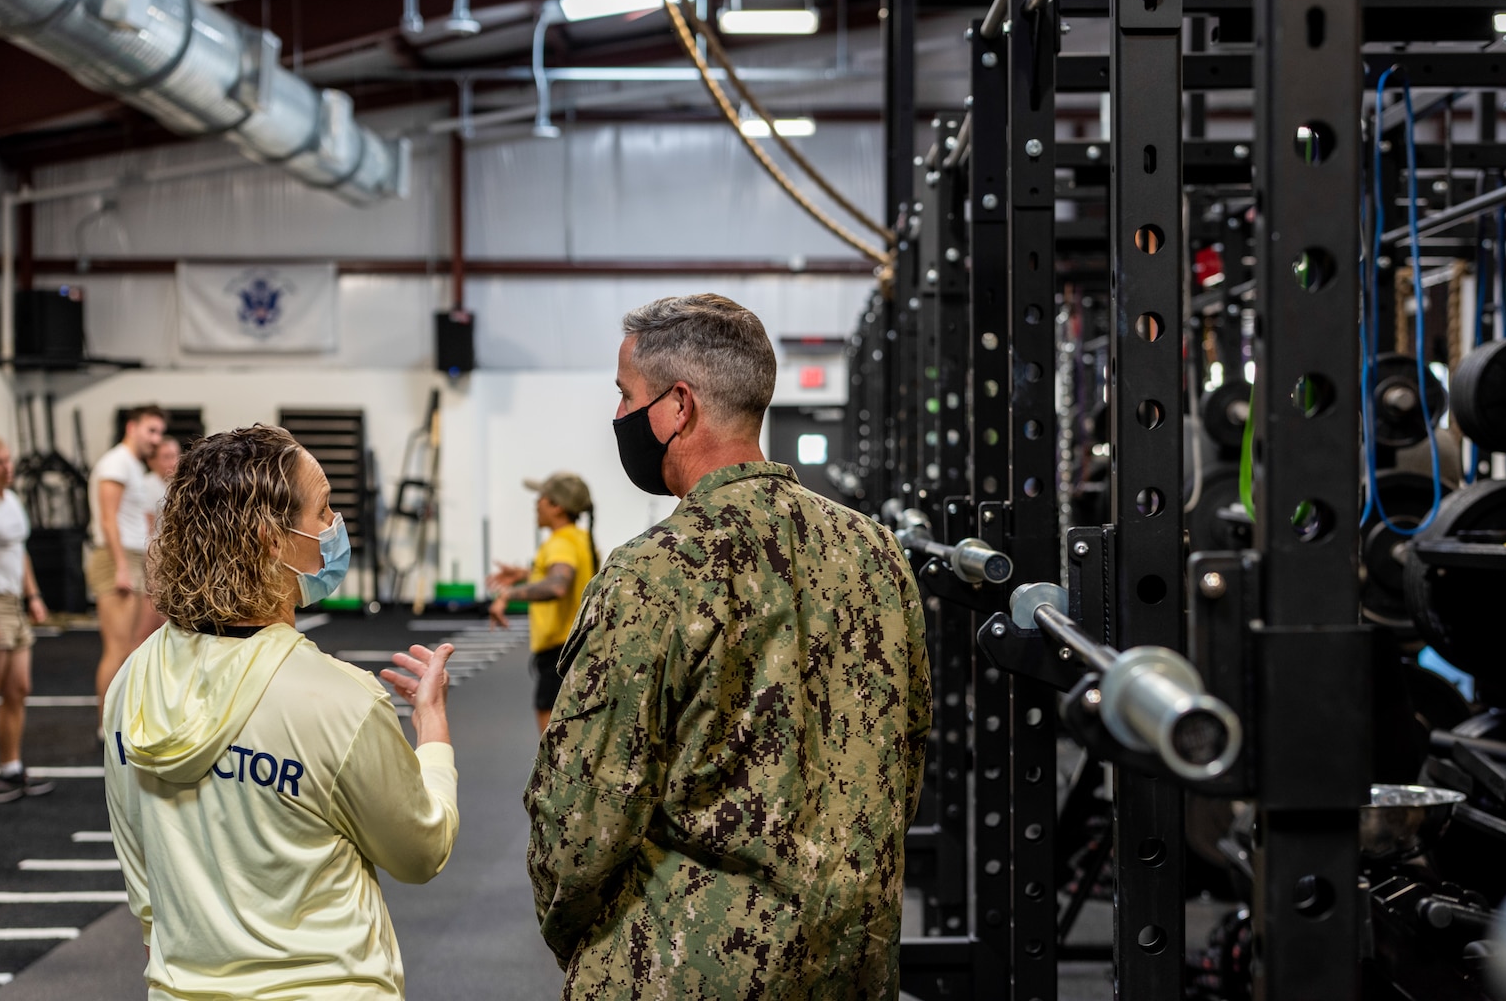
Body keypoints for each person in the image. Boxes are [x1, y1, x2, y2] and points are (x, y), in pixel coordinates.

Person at [524, 294, 931, 998]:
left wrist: (583, 941)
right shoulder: (876, 553)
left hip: (685, 969)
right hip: (849, 965)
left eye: (626, 397)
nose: (620, 417)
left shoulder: (654, 572)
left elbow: (581, 818)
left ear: (677, 407)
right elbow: (906, 755)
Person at [104, 425, 459, 1000]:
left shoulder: (132, 682)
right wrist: (433, 731)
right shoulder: (340, 699)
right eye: (323, 511)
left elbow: (144, 889)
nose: (334, 527)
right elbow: (420, 850)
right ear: (272, 539)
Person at [0, 437, 53, 803]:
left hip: (14, 602)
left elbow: (19, 552)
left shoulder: (12, 501)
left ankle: (12, 767)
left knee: (18, 688)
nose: (7, 467)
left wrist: (32, 595)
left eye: (8, 460)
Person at [488, 472, 597, 733]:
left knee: (553, 735)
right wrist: (527, 574)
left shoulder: (559, 542)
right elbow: (568, 576)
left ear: (557, 507)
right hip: (579, 648)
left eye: (542, 499)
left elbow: (558, 585)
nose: (536, 504)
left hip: (559, 654)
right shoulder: (581, 538)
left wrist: (507, 595)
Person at [87, 404, 164, 732]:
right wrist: (121, 566)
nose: (156, 439)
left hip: (132, 558)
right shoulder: (116, 463)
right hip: (114, 558)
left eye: (159, 432)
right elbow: (108, 519)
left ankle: (119, 718)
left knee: (131, 648)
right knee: (117, 649)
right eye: (151, 430)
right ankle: (106, 724)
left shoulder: (133, 466)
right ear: (131, 428)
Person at [135, 436, 180, 645]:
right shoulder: (148, 485)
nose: (173, 462)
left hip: (170, 558)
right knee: (148, 629)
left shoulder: (172, 486)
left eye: (175, 455)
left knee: (167, 626)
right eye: (166, 457)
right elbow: (149, 531)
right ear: (152, 461)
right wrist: (152, 573)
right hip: (155, 559)